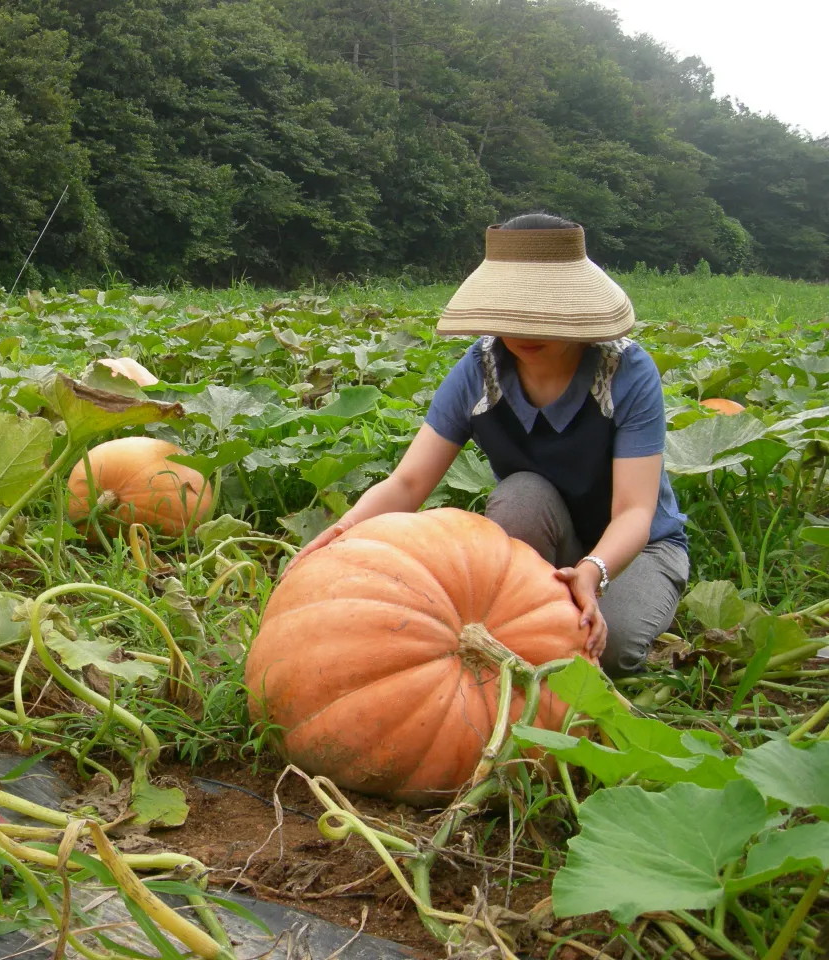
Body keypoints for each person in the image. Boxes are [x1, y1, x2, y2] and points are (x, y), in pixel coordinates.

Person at [285, 213, 689, 676]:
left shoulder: (626, 373)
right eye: (507, 309)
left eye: (538, 310)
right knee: (521, 494)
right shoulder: (479, 371)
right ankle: (531, 606)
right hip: (545, 533)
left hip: (633, 549)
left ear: (574, 306)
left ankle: (642, 595)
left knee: (606, 650)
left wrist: (594, 570)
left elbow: (635, 511)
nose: (520, 329)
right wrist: (345, 531)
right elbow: (409, 482)